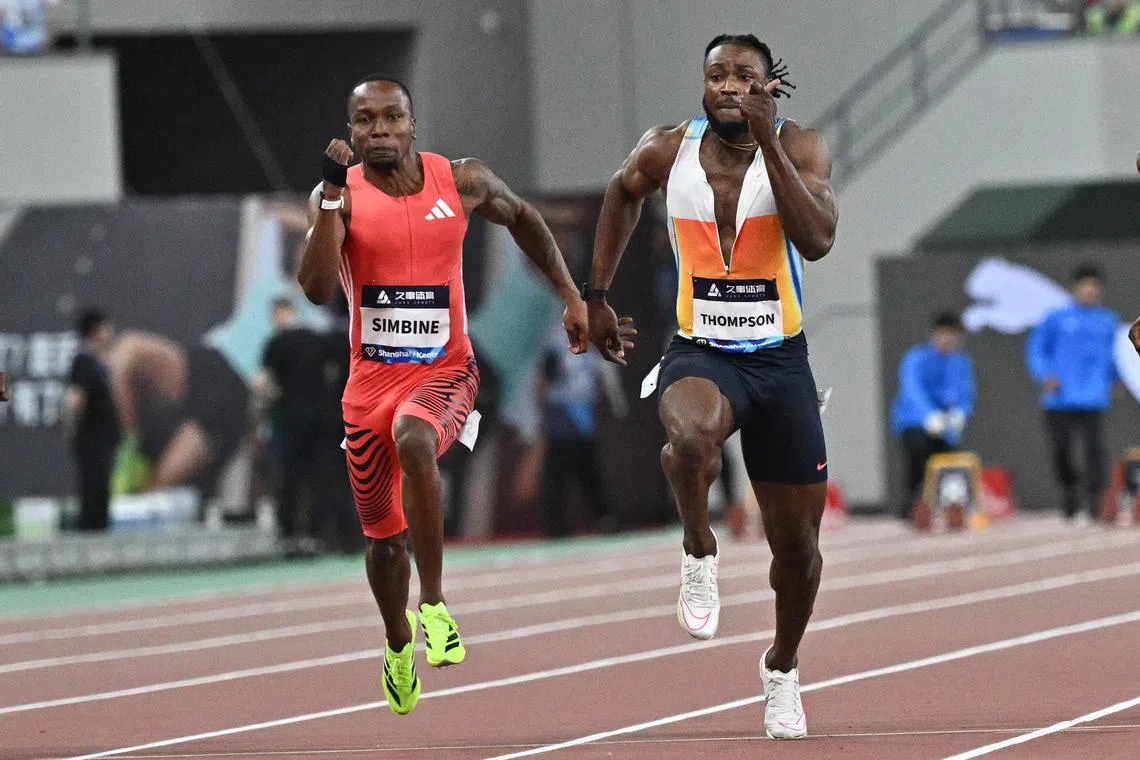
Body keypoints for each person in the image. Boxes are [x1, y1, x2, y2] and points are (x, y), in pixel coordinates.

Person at [297, 75, 626, 716]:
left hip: (447, 371)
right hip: (368, 387)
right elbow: (316, 288)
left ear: (413, 123)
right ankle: (398, 643)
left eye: (392, 117)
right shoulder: (339, 196)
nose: (380, 130)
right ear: (352, 132)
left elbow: (524, 219)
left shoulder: (462, 180)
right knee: (383, 542)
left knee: (415, 438)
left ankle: (434, 604)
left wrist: (573, 296)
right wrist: (331, 197)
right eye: (365, 121)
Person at [585, 34, 837, 739]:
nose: (728, 85)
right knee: (691, 440)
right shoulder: (668, 148)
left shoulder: (801, 146)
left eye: (743, 75)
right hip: (702, 349)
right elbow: (621, 191)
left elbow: (817, 240)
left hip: (780, 363)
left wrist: (769, 142)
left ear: (767, 85)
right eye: (717, 74)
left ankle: (781, 667)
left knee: (799, 554)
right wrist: (596, 294)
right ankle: (699, 549)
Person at [1027, 264, 1119, 521]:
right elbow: (1037, 350)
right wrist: (1045, 374)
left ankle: (1095, 500)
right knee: (1061, 450)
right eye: (1085, 285)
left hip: (1093, 397)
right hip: (1060, 398)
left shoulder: (1107, 321)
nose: (1090, 291)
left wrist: (1114, 379)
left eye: (1095, 286)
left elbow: (1113, 356)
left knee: (1094, 451)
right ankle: (1070, 491)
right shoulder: (1055, 318)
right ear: (1073, 288)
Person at [255, 297, 340, 557]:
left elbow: (262, 384)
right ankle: (316, 535)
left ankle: (289, 536)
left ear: (277, 315)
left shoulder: (275, 343)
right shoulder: (317, 339)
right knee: (318, 479)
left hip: (291, 420)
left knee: (290, 478)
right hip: (320, 421)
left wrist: (270, 402)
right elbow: (333, 372)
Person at [535, 323, 628, 537]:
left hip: (583, 420)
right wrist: (544, 415)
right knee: (557, 475)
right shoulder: (558, 347)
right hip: (562, 417)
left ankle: (604, 518)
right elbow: (543, 381)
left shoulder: (592, 352)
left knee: (589, 473)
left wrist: (613, 403)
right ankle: (555, 524)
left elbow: (603, 382)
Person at [890, 312, 976, 520]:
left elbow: (966, 393)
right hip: (913, 422)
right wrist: (928, 416)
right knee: (918, 456)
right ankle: (912, 506)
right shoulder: (916, 358)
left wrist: (960, 413)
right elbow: (912, 389)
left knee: (952, 464)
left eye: (952, 335)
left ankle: (951, 507)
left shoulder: (961, 363)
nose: (947, 339)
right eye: (943, 334)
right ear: (933, 334)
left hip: (945, 429)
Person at [64, 309, 122, 532]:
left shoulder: (100, 364)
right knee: (93, 488)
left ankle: (100, 532)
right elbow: (76, 399)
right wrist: (72, 427)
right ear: (95, 331)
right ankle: (88, 535)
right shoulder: (83, 362)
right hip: (91, 439)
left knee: (102, 490)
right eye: (106, 327)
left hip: (104, 439)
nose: (110, 332)